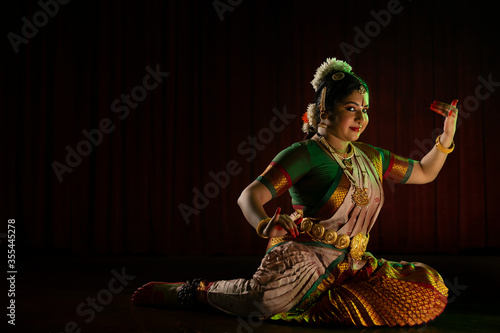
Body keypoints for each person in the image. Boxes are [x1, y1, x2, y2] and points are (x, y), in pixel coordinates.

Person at [132, 58, 456, 327]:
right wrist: (264, 224)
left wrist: (446, 137)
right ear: (326, 111)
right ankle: (188, 292)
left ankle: (325, 304)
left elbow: (425, 172)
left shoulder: (371, 157)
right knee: (262, 301)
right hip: (306, 260)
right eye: (352, 108)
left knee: (428, 287)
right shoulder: (304, 154)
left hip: (352, 264)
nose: (361, 117)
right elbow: (249, 196)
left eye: (366, 109)